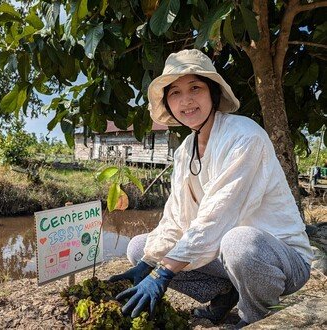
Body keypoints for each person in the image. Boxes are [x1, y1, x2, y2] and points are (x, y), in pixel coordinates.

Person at [108, 49, 313, 328]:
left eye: (195, 88)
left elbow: (217, 215)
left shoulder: (245, 136)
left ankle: (257, 316)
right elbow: (176, 219)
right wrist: (148, 264)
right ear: (168, 103)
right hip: (226, 254)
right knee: (140, 247)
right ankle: (224, 293)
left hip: (278, 259)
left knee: (238, 242)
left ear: (213, 94)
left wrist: (164, 273)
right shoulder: (184, 152)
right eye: (175, 93)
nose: (186, 100)